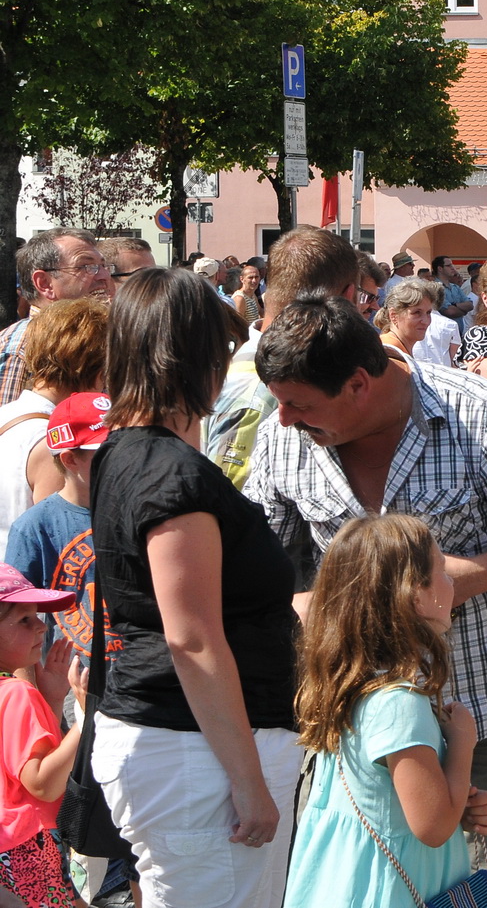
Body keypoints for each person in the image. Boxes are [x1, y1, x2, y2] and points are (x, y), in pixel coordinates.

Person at [248, 299, 487, 907]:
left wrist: (462, 579)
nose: (282, 419)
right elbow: (262, 557)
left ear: (359, 384)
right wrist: (304, 602)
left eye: (299, 404)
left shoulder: (480, 417)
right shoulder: (288, 437)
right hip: (362, 727)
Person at [90, 267, 300, 908]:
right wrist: (248, 781)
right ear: (195, 355)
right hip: (197, 750)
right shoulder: (167, 473)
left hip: (186, 741)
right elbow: (193, 638)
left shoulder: (129, 452)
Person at [284, 514, 487, 908]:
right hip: (388, 887)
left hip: (346, 876)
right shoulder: (399, 703)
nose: (451, 582)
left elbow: (391, 803)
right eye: (442, 571)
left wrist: (457, 798)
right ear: (415, 595)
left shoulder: (355, 685)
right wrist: (463, 744)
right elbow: (431, 827)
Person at [204, 225, 359, 491]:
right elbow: (228, 501)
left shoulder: (264, 368)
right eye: (363, 297)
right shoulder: (259, 388)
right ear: (346, 297)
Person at [5, 394, 113, 661]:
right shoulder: (36, 527)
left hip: (139, 683)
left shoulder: (141, 509)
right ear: (69, 459)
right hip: (70, 681)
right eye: (105, 452)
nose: (121, 459)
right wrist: (30, 693)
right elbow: (14, 621)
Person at [0, 566, 83, 908]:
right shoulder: (17, 693)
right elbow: (42, 784)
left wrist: (49, 698)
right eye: (23, 620)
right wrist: (86, 719)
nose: (41, 626)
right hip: (27, 848)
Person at [0, 299, 107, 551]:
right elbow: (61, 543)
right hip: (29, 585)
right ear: (96, 368)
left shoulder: (7, 414)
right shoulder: (54, 440)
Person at [0, 229, 113, 405]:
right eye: (87, 267)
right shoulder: (18, 348)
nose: (104, 276)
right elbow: (11, 428)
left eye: (104, 266)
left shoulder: (107, 337)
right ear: (44, 283)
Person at [375, 278, 440, 360]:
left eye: (428, 313)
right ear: (393, 315)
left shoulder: (399, 349)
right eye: (417, 312)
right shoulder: (389, 353)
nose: (426, 321)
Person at [432, 256, 475, 329]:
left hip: (458, 332)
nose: (452, 268)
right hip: (443, 332)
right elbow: (449, 311)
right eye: (448, 266)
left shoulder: (455, 287)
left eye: (452, 265)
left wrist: (455, 305)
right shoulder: (435, 288)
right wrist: (464, 312)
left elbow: (470, 305)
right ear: (440, 268)